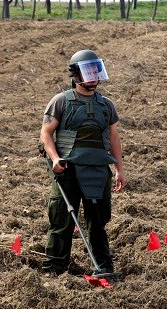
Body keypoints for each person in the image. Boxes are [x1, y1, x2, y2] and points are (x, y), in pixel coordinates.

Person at [39, 49, 126, 278]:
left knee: (97, 223)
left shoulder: (106, 106)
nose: (93, 77)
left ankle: (104, 268)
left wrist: (119, 170)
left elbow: (114, 138)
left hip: (98, 171)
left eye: (95, 71)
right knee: (62, 220)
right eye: (87, 72)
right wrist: (56, 158)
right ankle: (55, 268)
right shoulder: (61, 102)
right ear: (75, 74)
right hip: (68, 170)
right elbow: (46, 134)